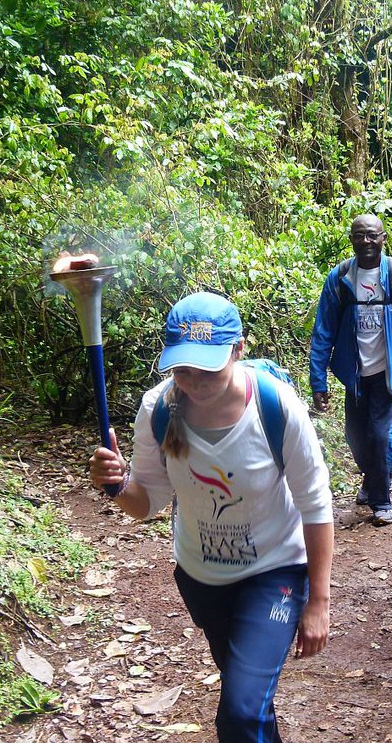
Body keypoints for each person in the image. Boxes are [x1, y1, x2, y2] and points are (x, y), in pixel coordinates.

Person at [88, 292, 334, 741]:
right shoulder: (158, 410)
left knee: (240, 712)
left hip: (274, 572)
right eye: (183, 371)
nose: (196, 383)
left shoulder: (276, 407)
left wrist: (318, 600)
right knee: (251, 704)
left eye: (208, 370)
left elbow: (315, 505)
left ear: (238, 350)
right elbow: (149, 502)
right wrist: (118, 484)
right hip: (202, 580)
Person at [309, 214, 392, 526]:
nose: (366, 241)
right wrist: (318, 380)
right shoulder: (340, 278)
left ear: (383, 238)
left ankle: (381, 501)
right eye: (359, 235)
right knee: (355, 438)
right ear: (351, 239)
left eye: (372, 235)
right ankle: (371, 479)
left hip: (389, 373)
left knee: (381, 437)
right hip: (355, 375)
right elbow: (323, 331)